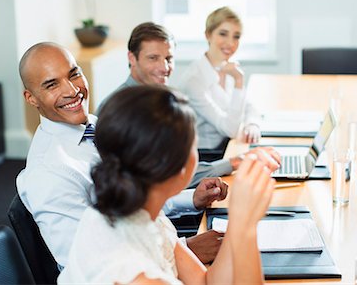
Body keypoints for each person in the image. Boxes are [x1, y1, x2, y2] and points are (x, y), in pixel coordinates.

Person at [16, 42, 230, 268]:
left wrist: (190, 199)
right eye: (52, 85)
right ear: (31, 98)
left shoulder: (95, 126)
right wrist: (184, 250)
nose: (71, 90)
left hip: (153, 244)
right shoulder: (49, 173)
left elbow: (132, 202)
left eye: (74, 74)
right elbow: (88, 264)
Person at [58, 85, 274, 284]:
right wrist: (246, 227)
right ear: (176, 167)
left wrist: (238, 223)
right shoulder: (133, 273)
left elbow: (205, 282)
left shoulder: (139, 212)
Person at [97, 21, 280, 177]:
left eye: (169, 58)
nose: (164, 67)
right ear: (132, 57)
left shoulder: (162, 97)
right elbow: (169, 176)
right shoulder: (118, 109)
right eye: (153, 58)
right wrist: (232, 163)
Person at [173, 7, 261, 161]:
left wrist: (252, 124)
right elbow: (231, 129)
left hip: (227, 146)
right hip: (205, 157)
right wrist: (239, 82)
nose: (230, 43)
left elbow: (249, 106)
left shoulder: (228, 66)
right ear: (208, 35)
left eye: (236, 36)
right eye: (223, 34)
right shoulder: (195, 80)